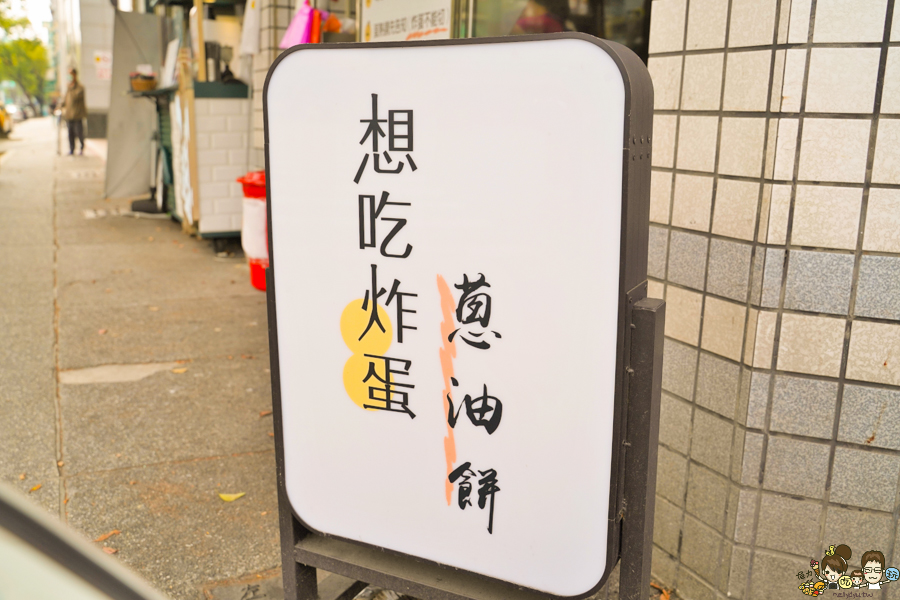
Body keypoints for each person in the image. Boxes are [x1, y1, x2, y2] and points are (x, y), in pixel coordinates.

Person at [61, 68, 86, 156]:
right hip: (69, 115)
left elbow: (75, 97)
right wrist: (60, 106)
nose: (69, 77)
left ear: (75, 75)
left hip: (77, 115)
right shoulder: (69, 88)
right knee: (70, 134)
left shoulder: (80, 87)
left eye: (71, 74)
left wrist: (71, 87)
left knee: (79, 133)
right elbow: (65, 99)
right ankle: (72, 149)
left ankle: (82, 148)